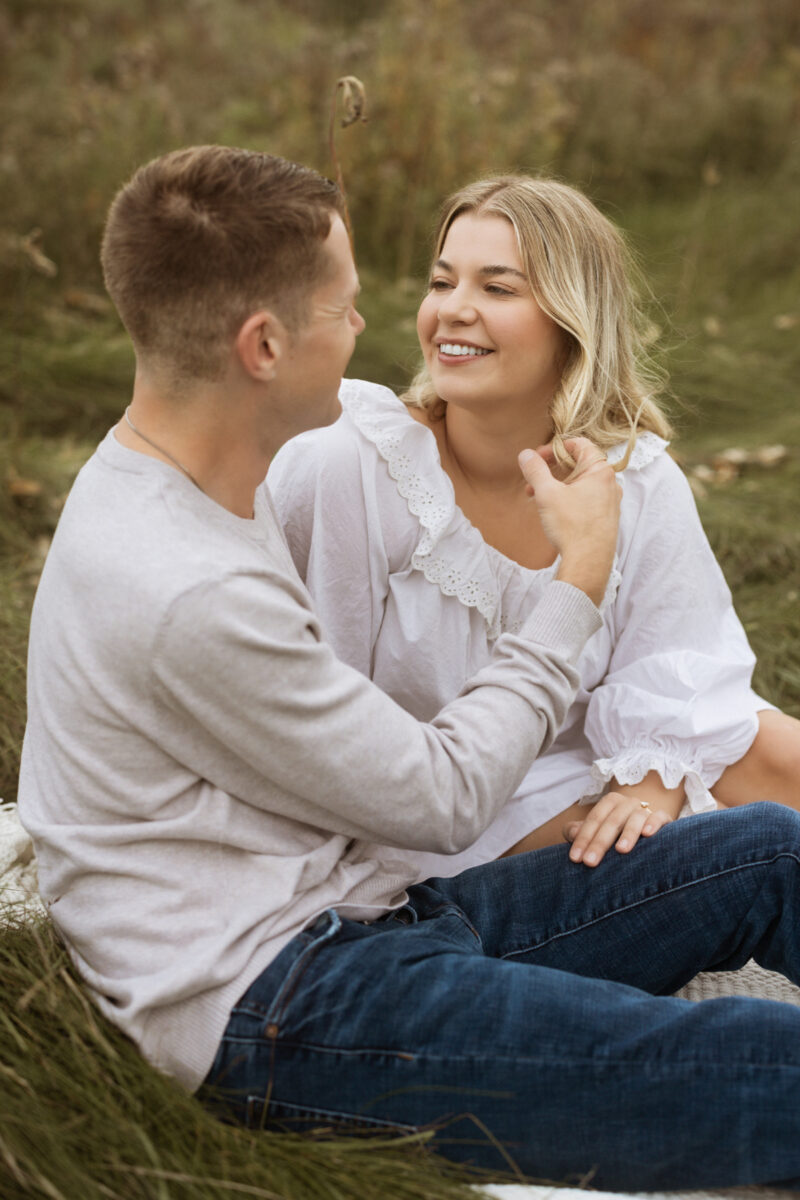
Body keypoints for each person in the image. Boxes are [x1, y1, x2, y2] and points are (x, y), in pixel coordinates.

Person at [17, 146, 800, 1192]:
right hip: (283, 1003)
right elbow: (437, 799)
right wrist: (577, 577)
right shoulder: (190, 584)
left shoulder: (194, 487)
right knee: (753, 1068)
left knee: (766, 851)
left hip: (370, 915)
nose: (376, 332)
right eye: (344, 309)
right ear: (263, 345)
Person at [267, 174, 800, 876]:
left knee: (764, 746)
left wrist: (651, 780)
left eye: (497, 288)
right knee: (648, 852)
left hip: (576, 759)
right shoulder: (354, 464)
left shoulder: (633, 479)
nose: (453, 311)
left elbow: (679, 660)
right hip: (429, 803)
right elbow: (313, 718)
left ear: (572, 320)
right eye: (441, 282)